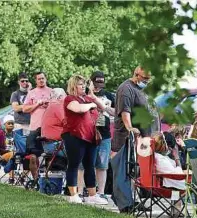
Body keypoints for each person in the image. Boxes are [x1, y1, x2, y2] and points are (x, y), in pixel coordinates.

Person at [62, 75, 107, 204]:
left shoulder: (87, 98)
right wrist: (91, 104)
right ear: (73, 86)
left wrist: (93, 98)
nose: (83, 86)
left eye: (84, 84)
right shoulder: (70, 99)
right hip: (75, 135)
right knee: (74, 164)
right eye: (80, 84)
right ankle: (73, 194)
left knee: (90, 165)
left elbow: (103, 107)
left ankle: (92, 195)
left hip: (90, 136)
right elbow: (78, 109)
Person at [77, 71, 115, 203]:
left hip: (103, 133)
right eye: (96, 83)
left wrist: (100, 104)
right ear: (91, 81)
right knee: (83, 164)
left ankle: (101, 192)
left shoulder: (109, 95)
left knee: (102, 164)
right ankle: (80, 191)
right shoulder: (83, 93)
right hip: (86, 132)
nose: (99, 86)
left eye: (101, 83)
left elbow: (115, 112)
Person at [112, 66, 160, 153]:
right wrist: (130, 128)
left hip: (147, 142)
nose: (147, 81)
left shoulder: (145, 89)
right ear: (136, 74)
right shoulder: (126, 88)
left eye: (149, 78)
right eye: (145, 78)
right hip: (132, 144)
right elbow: (125, 112)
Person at [0, 115, 38, 184]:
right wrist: (7, 151)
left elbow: (21, 143)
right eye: (9, 123)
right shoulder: (0, 134)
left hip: (17, 153)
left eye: (12, 123)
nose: (11, 125)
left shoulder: (16, 134)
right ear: (4, 124)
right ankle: (11, 178)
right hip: (2, 155)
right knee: (13, 154)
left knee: (32, 157)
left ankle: (23, 177)